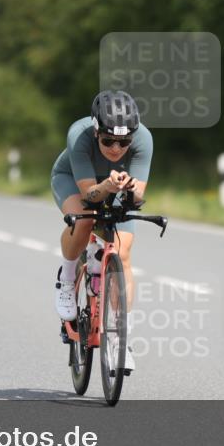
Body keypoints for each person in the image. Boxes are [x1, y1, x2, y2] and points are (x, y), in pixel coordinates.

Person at [51, 90, 153, 372]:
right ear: (96, 131)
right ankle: (67, 278)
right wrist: (106, 187)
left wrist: (132, 191)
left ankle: (122, 340)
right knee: (84, 220)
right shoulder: (79, 135)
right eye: (108, 140)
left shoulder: (144, 138)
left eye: (124, 142)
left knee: (124, 251)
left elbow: (139, 197)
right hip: (75, 182)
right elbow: (90, 196)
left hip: (115, 187)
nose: (116, 149)